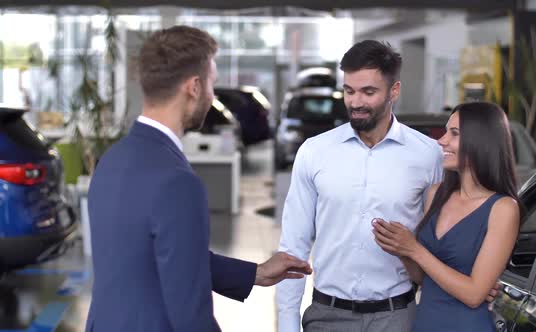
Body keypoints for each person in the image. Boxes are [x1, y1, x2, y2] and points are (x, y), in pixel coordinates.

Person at [85, 26, 311, 332]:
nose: (212, 94)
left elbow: (161, 255)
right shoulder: (177, 182)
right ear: (193, 86)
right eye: (211, 84)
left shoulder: (112, 159)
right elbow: (191, 315)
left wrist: (254, 273)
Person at [276, 40, 443, 332]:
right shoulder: (314, 152)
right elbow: (294, 245)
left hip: (398, 317)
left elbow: (441, 242)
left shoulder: (427, 155)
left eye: (368, 92)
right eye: (349, 91)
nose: (355, 102)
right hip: (327, 316)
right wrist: (288, 322)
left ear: (394, 91)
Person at [372, 102, 521, 332]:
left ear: (480, 141)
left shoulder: (503, 208)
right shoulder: (436, 193)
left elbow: (474, 294)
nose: (441, 141)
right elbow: (425, 278)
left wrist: (414, 250)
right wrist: (400, 249)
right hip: (425, 323)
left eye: (454, 133)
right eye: (445, 132)